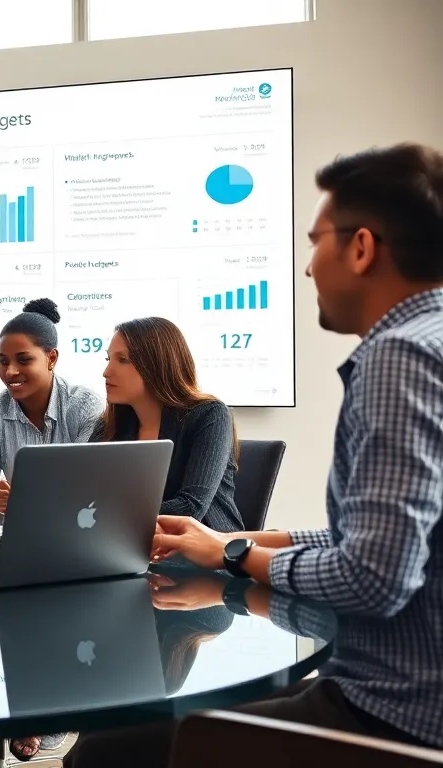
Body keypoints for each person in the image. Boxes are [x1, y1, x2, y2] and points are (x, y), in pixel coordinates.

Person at [65, 143, 443, 767]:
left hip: (391, 711)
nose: (306, 268)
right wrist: (245, 540)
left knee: (106, 750)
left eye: (314, 241)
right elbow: (371, 540)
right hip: (405, 694)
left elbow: (375, 576)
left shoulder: (398, 359)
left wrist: (234, 553)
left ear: (362, 248)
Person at [95, 316, 241, 532]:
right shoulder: (110, 425)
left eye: (122, 360)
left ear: (156, 365)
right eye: (108, 359)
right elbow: (87, 495)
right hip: (133, 542)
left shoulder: (210, 414)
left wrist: (109, 514)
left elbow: (191, 508)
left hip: (207, 551)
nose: (106, 372)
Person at [0, 299, 102, 515]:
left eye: (23, 360)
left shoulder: (85, 405)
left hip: (76, 522)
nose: (10, 372)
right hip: (22, 527)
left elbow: (82, 481)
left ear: (51, 358)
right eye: (3, 361)